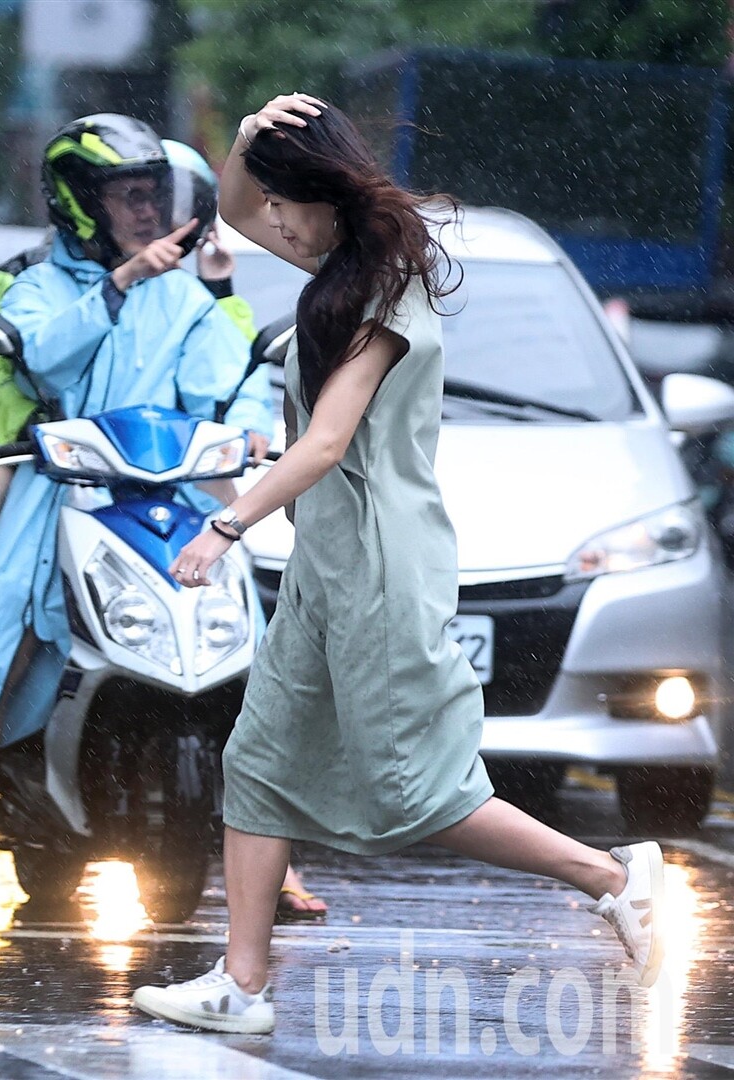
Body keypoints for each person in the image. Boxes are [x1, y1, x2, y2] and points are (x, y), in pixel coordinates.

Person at [130, 95, 663, 1035]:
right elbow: (234, 209)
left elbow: (329, 440)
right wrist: (252, 135)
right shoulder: (337, 264)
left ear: (327, 201)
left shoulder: (385, 293)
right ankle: (241, 990)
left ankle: (612, 878)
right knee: (257, 762)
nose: (275, 223)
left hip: (380, 567)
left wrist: (229, 526)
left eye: (289, 203)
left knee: (415, 794)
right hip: (324, 569)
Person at [0, 137, 328, 922]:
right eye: (127, 194)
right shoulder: (33, 286)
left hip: (165, 497)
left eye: (154, 193)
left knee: (254, 655)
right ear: (83, 200)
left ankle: (276, 863)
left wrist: (251, 428)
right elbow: (40, 364)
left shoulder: (183, 298)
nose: (147, 209)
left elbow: (229, 380)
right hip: (56, 494)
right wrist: (121, 283)